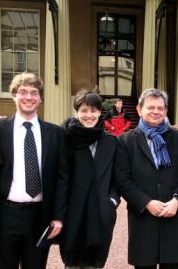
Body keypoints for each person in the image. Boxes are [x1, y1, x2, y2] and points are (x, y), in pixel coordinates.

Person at [0, 73, 70, 269]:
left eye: (34, 93)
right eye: (23, 92)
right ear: (14, 96)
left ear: (40, 98)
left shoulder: (56, 134)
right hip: (6, 214)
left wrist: (58, 216)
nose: (29, 97)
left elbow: (63, 178)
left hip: (40, 215)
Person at [115, 88, 178, 269]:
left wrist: (177, 200)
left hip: (173, 215)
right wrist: (147, 202)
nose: (156, 111)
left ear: (166, 111)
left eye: (160, 108)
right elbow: (122, 179)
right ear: (139, 109)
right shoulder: (125, 141)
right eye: (151, 107)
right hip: (143, 217)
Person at [60, 90, 119, 269]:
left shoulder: (110, 141)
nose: (89, 115)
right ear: (76, 111)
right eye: (84, 110)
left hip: (101, 212)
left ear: (100, 112)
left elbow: (116, 177)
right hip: (72, 213)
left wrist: (112, 201)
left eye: (94, 111)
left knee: (96, 263)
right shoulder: (64, 138)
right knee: (72, 263)